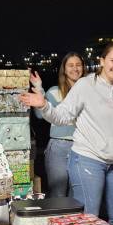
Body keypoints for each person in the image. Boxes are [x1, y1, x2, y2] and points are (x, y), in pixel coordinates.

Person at [19, 43, 113, 225]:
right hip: (87, 159)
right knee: (89, 219)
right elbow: (62, 116)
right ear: (102, 61)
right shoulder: (86, 85)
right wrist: (44, 106)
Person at [29, 53, 87, 197]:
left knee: (78, 195)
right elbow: (38, 115)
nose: (75, 68)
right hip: (59, 147)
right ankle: (56, 220)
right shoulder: (55, 91)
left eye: (78, 65)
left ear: (83, 68)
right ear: (64, 69)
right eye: (71, 65)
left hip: (83, 148)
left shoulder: (89, 92)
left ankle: (74, 221)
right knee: (58, 195)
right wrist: (39, 88)